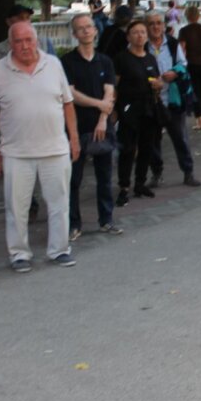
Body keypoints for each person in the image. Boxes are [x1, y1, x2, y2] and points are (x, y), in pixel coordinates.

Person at [0, 22, 80, 273]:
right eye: (18, 41)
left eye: (29, 40)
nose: (24, 46)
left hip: (55, 148)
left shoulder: (53, 64)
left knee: (59, 203)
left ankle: (59, 249)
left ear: (36, 40)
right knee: (16, 206)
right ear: (10, 43)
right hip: (16, 152)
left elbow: (67, 104)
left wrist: (74, 138)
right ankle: (19, 253)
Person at [60, 14, 123, 242]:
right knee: (74, 179)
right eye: (80, 28)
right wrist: (99, 105)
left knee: (104, 176)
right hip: (76, 127)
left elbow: (110, 91)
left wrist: (103, 118)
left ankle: (106, 219)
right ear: (75, 34)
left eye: (89, 27)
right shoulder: (67, 62)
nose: (86, 31)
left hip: (101, 126)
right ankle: (73, 223)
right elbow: (71, 94)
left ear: (96, 31)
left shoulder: (105, 60)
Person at [144, 11, 200, 188]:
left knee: (180, 137)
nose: (155, 27)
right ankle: (156, 172)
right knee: (152, 140)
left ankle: (188, 171)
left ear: (163, 25)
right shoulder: (143, 46)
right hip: (152, 100)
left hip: (173, 98)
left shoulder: (173, 44)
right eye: (152, 23)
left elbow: (183, 64)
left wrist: (174, 73)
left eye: (159, 23)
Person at [113, 19, 163, 207]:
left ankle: (140, 183)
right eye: (135, 32)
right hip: (128, 110)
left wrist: (158, 85)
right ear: (128, 36)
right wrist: (115, 109)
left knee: (147, 147)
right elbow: (114, 85)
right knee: (127, 148)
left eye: (143, 32)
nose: (140, 35)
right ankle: (124, 185)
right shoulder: (121, 58)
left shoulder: (150, 58)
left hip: (149, 109)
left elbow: (157, 80)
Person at [0, 4, 55, 70]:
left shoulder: (45, 43)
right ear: (8, 22)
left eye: (28, 17)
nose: (25, 21)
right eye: (21, 18)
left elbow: (54, 70)